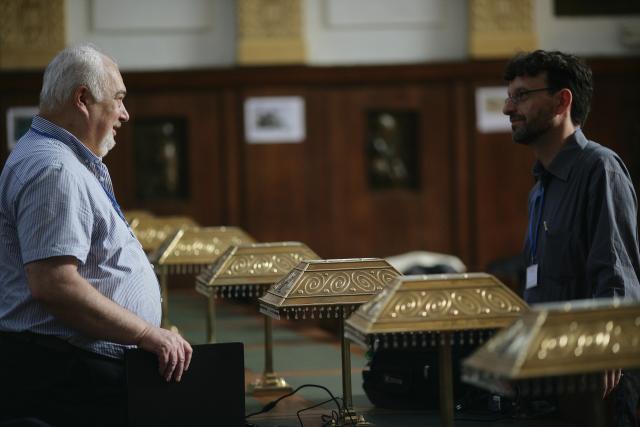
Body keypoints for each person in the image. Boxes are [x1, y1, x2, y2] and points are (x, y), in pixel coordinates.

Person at [0, 44, 192, 426]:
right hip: (66, 375)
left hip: (70, 369)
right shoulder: (54, 168)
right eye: (118, 99)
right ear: (83, 99)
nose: (125, 113)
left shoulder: (60, 157)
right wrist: (145, 333)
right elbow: (55, 285)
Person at [503, 50, 640, 426]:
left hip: (596, 377)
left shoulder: (599, 168)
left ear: (563, 100)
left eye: (521, 96)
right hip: (550, 375)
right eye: (509, 96)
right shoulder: (540, 189)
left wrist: (606, 347)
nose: (506, 108)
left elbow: (615, 271)